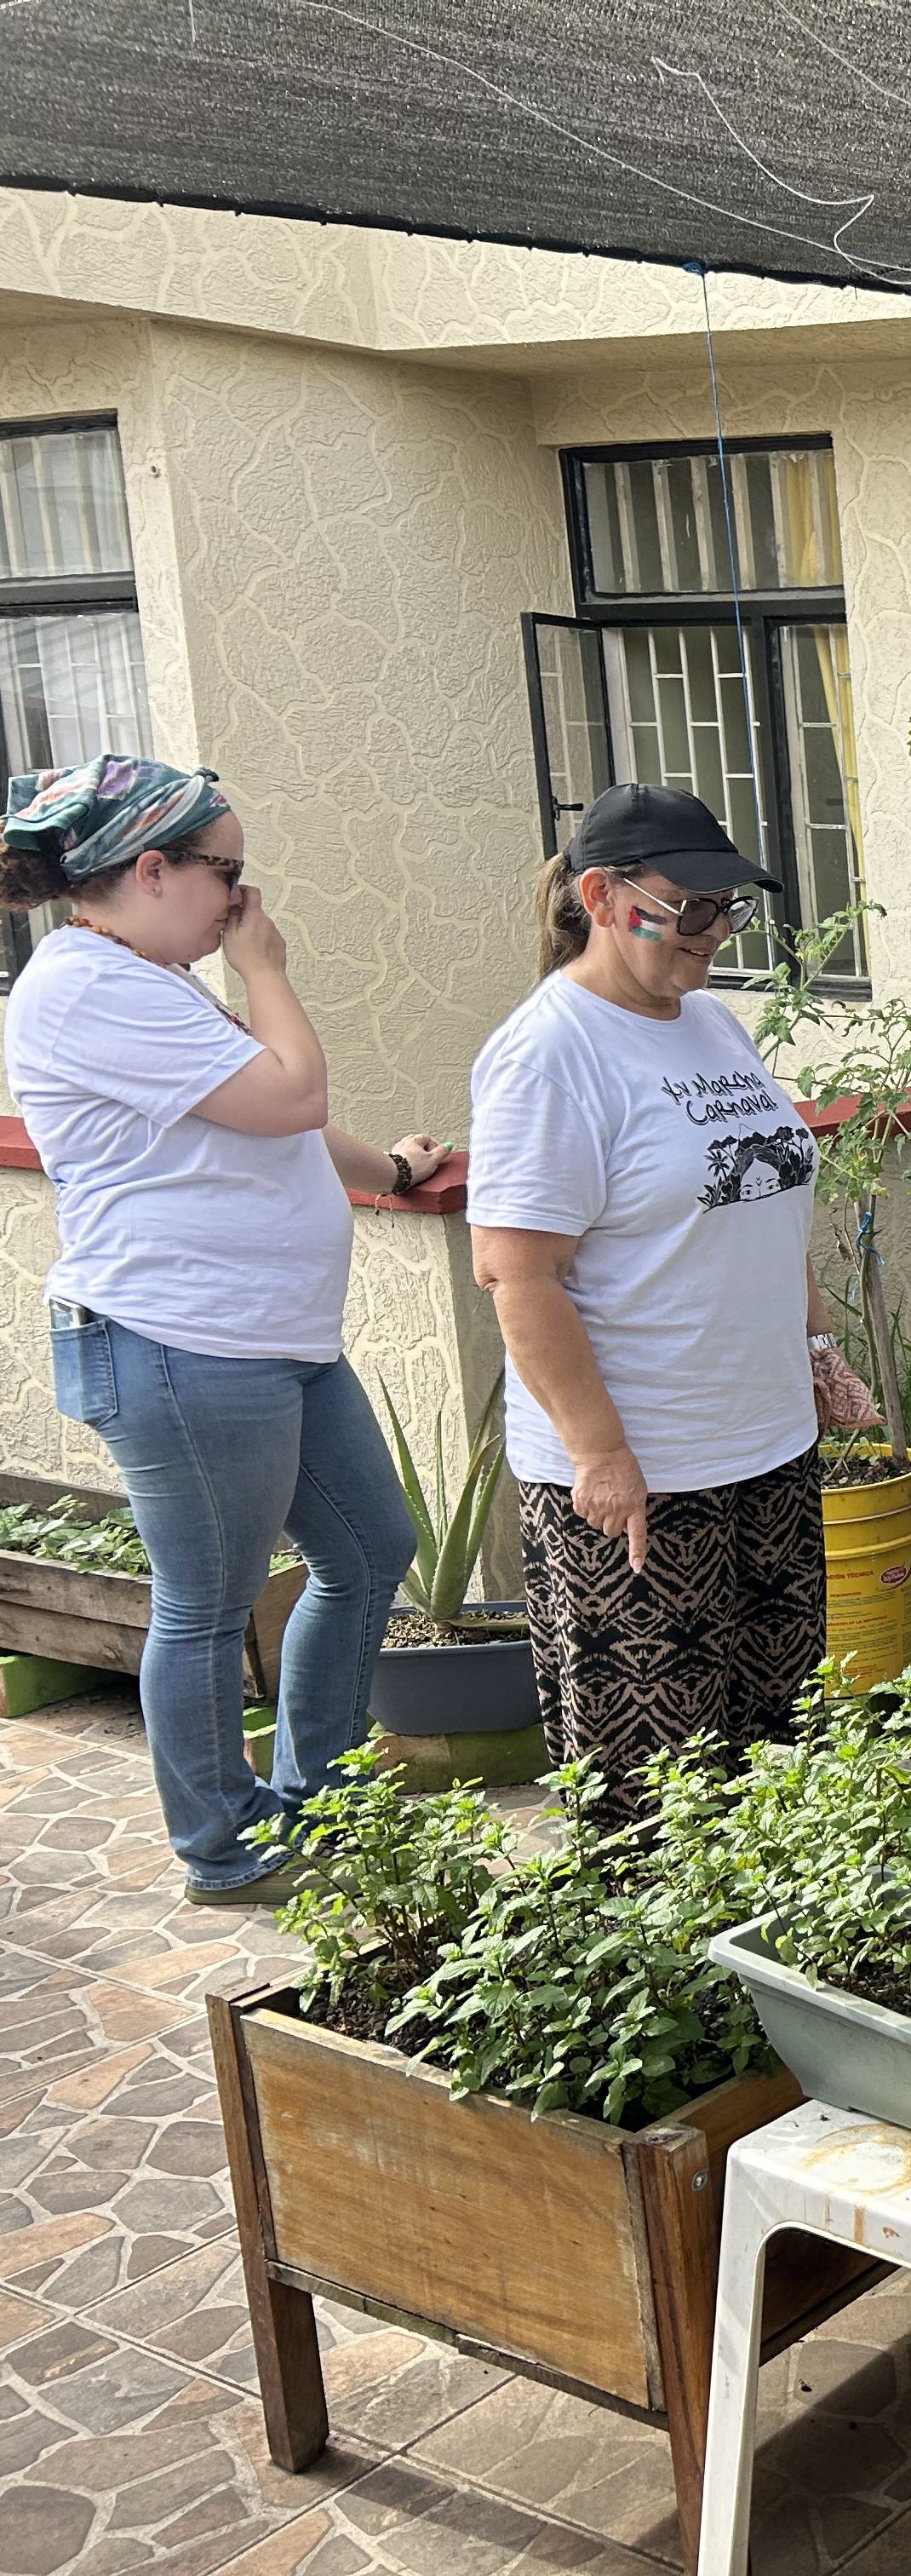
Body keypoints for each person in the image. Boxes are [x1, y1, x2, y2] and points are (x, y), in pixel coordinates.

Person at [0, 757, 441, 1903]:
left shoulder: (145, 978)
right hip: (179, 1345)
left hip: (267, 1343)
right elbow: (287, 1091)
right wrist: (268, 968)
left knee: (370, 1550)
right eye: (227, 873)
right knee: (206, 1606)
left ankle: (319, 1796)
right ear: (152, 871)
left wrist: (388, 1167)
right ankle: (225, 1846)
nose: (242, 899)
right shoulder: (85, 988)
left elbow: (266, 1116)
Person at [469, 784, 877, 1804]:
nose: (714, 932)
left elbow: (768, 1211)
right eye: (690, 907)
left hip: (765, 1444)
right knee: (653, 1783)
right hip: (640, 1476)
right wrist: (599, 1457)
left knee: (782, 1747)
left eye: (727, 908)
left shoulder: (712, 1026)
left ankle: (765, 1955)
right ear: (602, 897)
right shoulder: (549, 1054)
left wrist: (821, 1360)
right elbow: (517, 1273)